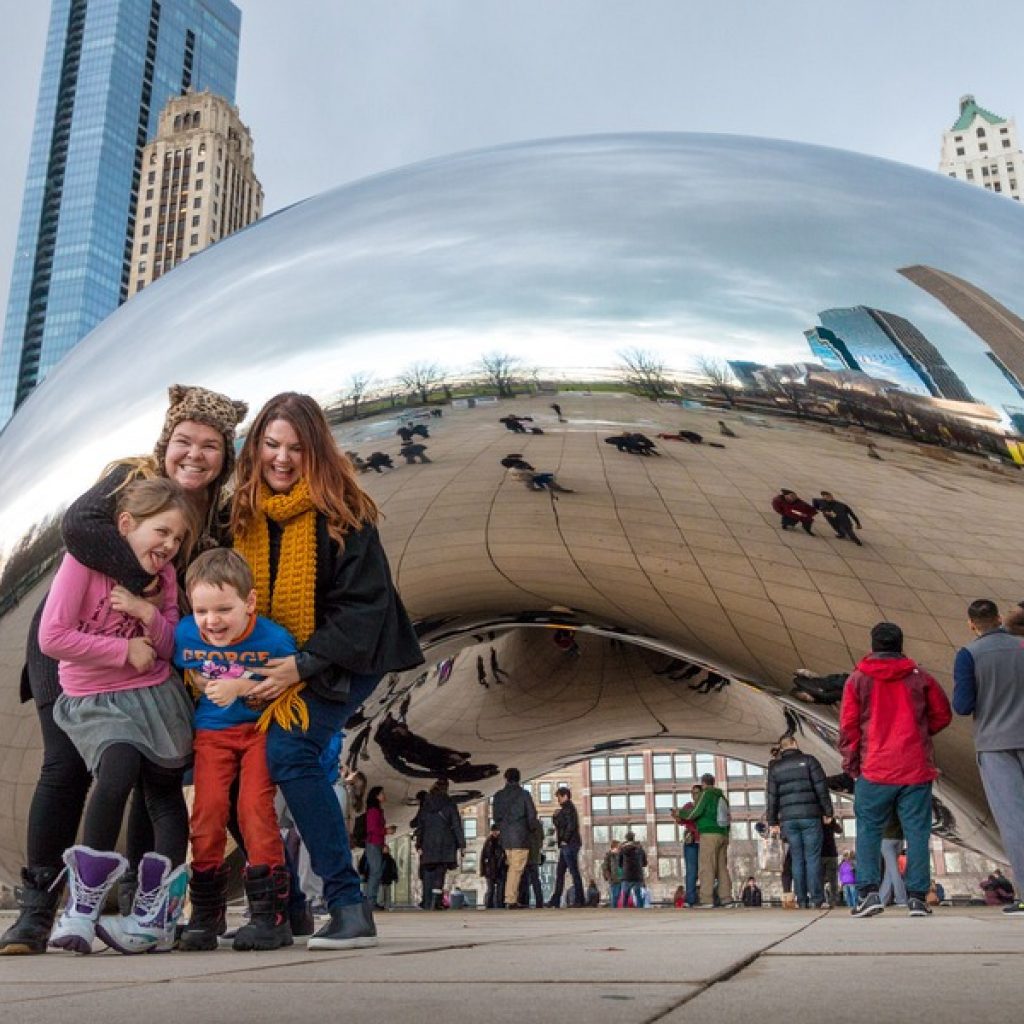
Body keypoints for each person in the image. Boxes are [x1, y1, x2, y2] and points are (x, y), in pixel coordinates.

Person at [0, 385, 246, 957]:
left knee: (148, 780)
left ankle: (142, 907)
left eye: (210, 446)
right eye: (184, 440)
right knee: (64, 770)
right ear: (166, 441)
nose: (195, 454)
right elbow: (80, 529)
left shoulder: (218, 515)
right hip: (77, 649)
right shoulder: (127, 477)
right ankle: (37, 912)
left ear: (223, 456)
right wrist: (144, 582)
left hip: (147, 660)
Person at [231, 393, 423, 950]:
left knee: (288, 752)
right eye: (271, 445)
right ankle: (287, 907)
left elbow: (365, 610)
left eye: (295, 447)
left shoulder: (344, 511)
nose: (282, 459)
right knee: (236, 761)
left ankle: (347, 904)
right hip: (274, 659)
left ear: (316, 450)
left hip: (347, 656)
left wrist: (300, 666)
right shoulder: (243, 511)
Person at [39, 478, 199, 954]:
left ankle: (157, 913)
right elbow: (53, 638)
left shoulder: (164, 577)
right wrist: (121, 648)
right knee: (118, 767)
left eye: (177, 539)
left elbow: (171, 648)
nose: (169, 546)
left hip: (155, 695)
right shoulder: (82, 565)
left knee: (166, 793)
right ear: (126, 525)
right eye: (162, 532)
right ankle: (83, 905)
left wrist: (147, 616)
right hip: (98, 698)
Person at [173, 548, 298, 951]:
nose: (212, 622)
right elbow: (187, 667)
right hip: (211, 734)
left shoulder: (275, 639)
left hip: (259, 730)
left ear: (250, 602)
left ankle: (270, 915)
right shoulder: (185, 634)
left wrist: (240, 687)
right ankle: (206, 913)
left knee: (254, 810)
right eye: (202, 610)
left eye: (224, 609)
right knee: (206, 813)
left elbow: (291, 683)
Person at [840, 621, 952, 918]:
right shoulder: (919, 677)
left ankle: (868, 893)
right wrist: (920, 733)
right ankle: (917, 897)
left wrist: (852, 763)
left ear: (873, 645)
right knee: (917, 833)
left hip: (875, 768)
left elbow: (849, 727)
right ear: (901, 645)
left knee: (868, 831)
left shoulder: (857, 680)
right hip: (914, 768)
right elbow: (942, 714)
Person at [953, 599, 1024, 916]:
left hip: (995, 744)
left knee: (1014, 822)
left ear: (971, 624)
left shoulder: (969, 655)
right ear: (998, 618)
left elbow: (963, 705)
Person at [766, 735, 833, 908]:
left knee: (797, 859)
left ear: (782, 748)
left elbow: (772, 796)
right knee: (813, 858)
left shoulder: (776, 768)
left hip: (789, 820)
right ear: (795, 744)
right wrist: (827, 811)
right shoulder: (810, 761)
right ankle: (817, 899)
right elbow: (821, 788)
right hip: (810, 816)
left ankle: (802, 899)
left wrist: (772, 820)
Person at [410, 778, 464, 910]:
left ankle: (427, 902)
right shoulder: (450, 804)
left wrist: (419, 844)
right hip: (445, 844)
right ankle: (436, 902)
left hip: (428, 844)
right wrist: (462, 844)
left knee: (428, 873)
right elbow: (456, 825)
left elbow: (420, 826)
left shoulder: (426, 805)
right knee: (440, 873)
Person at [680, 773, 732, 907]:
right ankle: (726, 899)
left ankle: (706, 899)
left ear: (703, 783)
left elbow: (695, 812)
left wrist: (679, 813)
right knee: (722, 868)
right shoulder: (721, 796)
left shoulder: (706, 794)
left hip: (709, 834)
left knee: (706, 867)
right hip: (723, 834)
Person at [491, 766, 540, 908]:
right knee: (516, 869)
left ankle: (511, 897)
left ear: (506, 779)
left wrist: (503, 828)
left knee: (513, 867)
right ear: (519, 779)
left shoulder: (498, 795)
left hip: (506, 837)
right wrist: (532, 830)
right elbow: (532, 815)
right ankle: (510, 899)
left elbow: (495, 817)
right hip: (521, 836)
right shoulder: (524, 794)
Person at [547, 786, 585, 907]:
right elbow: (561, 825)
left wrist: (564, 839)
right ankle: (556, 899)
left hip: (569, 844)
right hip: (568, 844)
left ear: (565, 796)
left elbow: (570, 826)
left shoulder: (568, 809)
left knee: (573, 872)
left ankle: (579, 899)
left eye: (559, 796)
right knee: (561, 872)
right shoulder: (566, 809)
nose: (558, 799)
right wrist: (555, 817)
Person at [363, 787, 397, 909]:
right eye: (382, 793)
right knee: (375, 872)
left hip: (377, 843)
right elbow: (372, 829)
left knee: (376, 872)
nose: (384, 795)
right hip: (373, 843)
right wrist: (386, 831)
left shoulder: (377, 811)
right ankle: (370, 901)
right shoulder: (373, 811)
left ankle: (372, 899)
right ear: (377, 796)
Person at [672, 783, 703, 907]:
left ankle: (707, 896)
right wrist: (676, 816)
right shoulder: (688, 806)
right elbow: (681, 820)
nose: (694, 795)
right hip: (691, 842)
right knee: (691, 870)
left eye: (696, 792)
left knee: (707, 870)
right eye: (692, 793)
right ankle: (690, 899)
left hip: (704, 841)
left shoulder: (704, 806)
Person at [878, 815, 908, 908]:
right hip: (899, 839)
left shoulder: (884, 806)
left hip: (886, 839)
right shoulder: (900, 806)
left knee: (893, 871)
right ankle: (881, 899)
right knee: (889, 872)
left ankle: (901, 899)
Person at [480, 824, 508, 909]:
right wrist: (483, 870)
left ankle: (500, 905)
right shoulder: (488, 842)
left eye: (496, 831)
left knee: (501, 890)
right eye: (493, 831)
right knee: (491, 890)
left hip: (500, 869)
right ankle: (489, 906)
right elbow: (483, 856)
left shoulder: (502, 841)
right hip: (490, 869)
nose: (495, 833)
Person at [518, 818, 545, 909]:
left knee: (524, 880)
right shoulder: (538, 824)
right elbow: (541, 839)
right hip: (535, 856)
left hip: (526, 855)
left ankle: (524, 901)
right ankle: (539, 901)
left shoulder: (524, 823)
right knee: (535, 880)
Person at [618, 831, 648, 908]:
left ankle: (624, 911)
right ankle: (640, 912)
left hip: (626, 875)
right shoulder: (640, 849)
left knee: (625, 895)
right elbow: (645, 863)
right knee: (638, 895)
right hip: (638, 875)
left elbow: (619, 863)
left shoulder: (622, 849)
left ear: (626, 838)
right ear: (634, 838)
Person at [820, 816, 843, 906]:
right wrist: (832, 821)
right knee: (833, 879)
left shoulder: (815, 819)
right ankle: (834, 899)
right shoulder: (830, 819)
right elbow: (839, 830)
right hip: (831, 853)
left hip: (820, 853)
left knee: (820, 879)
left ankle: (821, 899)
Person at [602, 839, 624, 908]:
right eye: (619, 846)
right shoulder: (609, 855)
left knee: (619, 895)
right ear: (614, 847)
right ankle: (614, 909)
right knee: (615, 895)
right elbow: (605, 867)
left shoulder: (621, 854)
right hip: (614, 878)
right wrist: (609, 877)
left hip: (621, 878)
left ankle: (616, 908)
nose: (620, 848)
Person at [379, 844, 399, 910]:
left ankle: (386, 906)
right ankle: (382, 905)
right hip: (382, 879)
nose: (386, 850)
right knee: (382, 894)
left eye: (387, 849)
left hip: (387, 879)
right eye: (385, 849)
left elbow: (394, 869)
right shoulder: (380, 858)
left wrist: (395, 877)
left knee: (387, 894)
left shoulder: (390, 859)